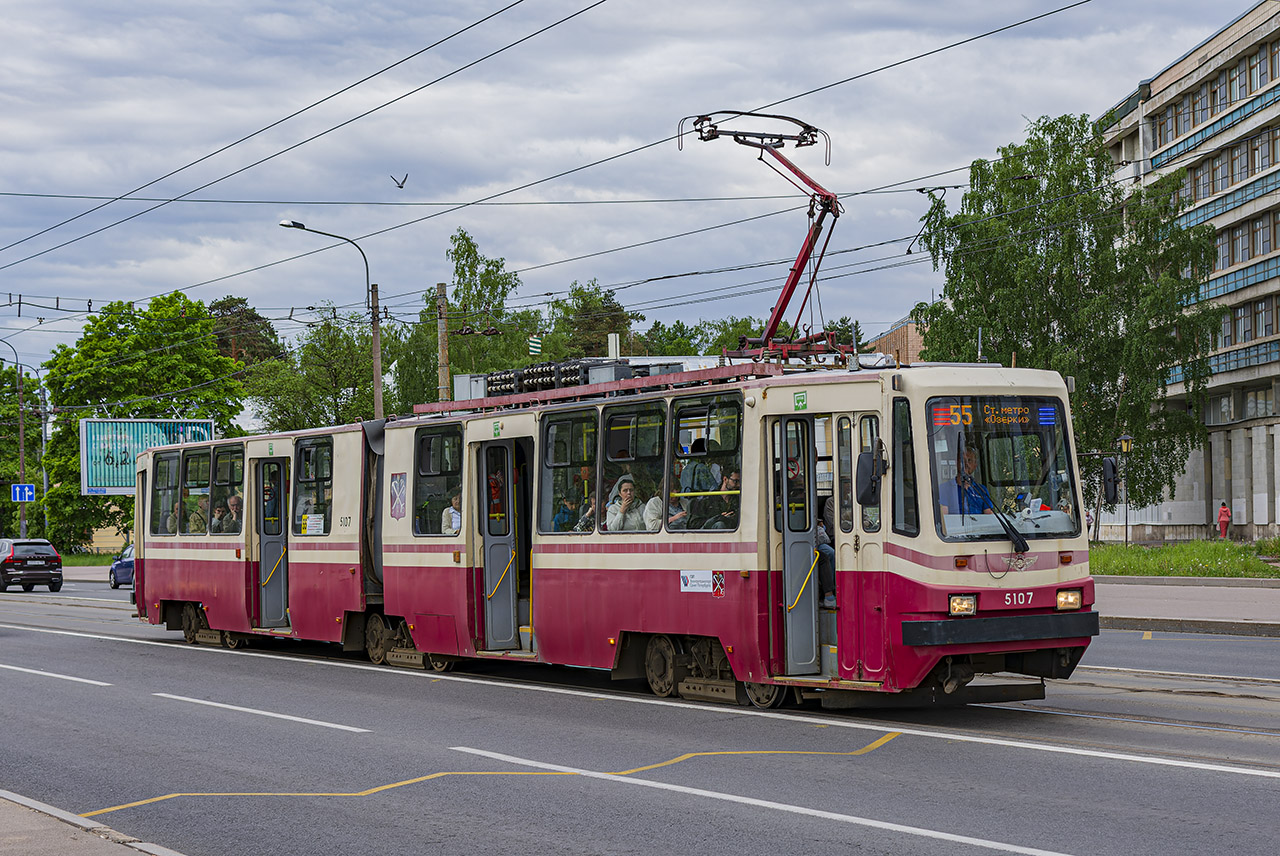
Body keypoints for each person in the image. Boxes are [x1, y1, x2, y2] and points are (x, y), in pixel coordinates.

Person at [939, 446, 990, 516]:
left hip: (979, 527)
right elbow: (943, 518)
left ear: (975, 465)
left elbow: (990, 516)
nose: (966, 464)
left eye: (969, 460)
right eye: (962, 460)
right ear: (957, 463)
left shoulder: (982, 490)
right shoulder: (944, 489)